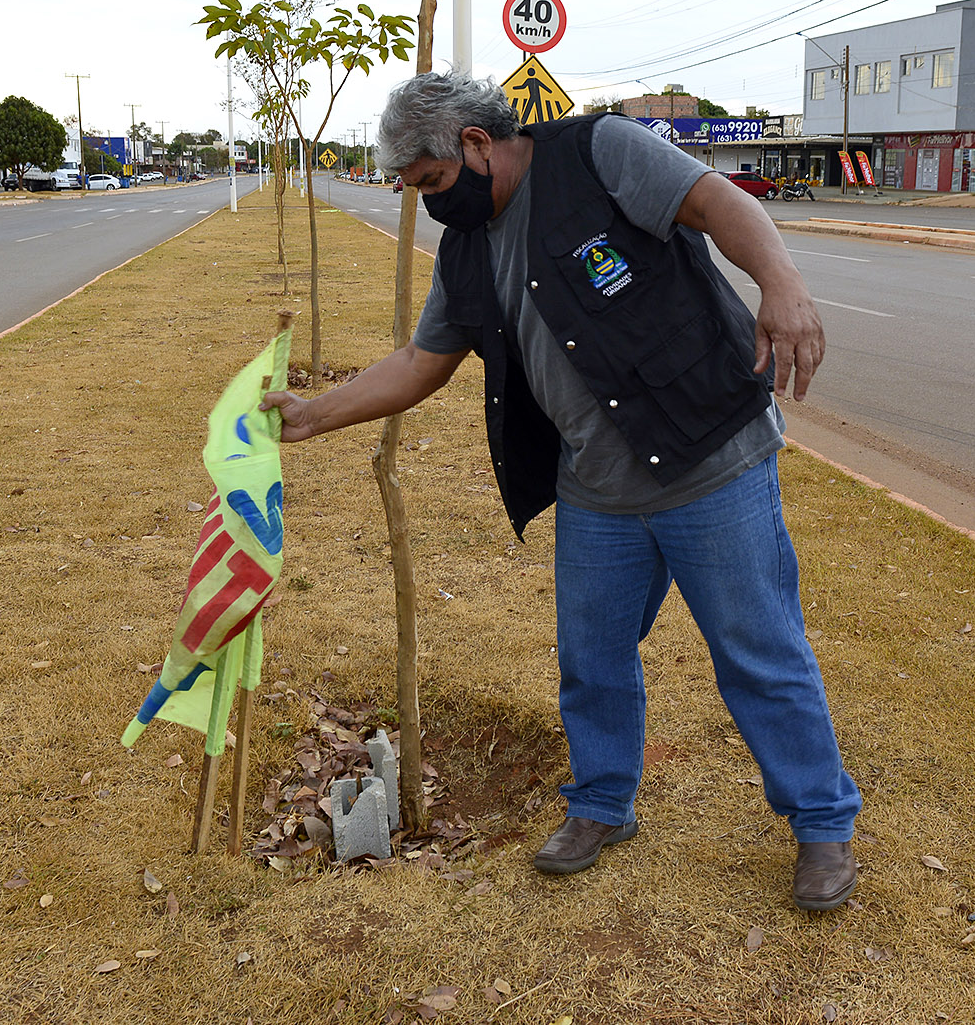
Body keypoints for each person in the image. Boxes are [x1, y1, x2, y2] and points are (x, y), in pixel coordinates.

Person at [260, 72, 863, 912]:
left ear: (476, 143)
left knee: (758, 650)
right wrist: (315, 415)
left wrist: (782, 285)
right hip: (596, 488)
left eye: (432, 181)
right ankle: (601, 803)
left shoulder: (599, 152)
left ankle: (821, 822)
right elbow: (423, 360)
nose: (430, 203)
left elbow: (716, 200)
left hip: (710, 457)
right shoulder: (467, 248)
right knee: (591, 657)